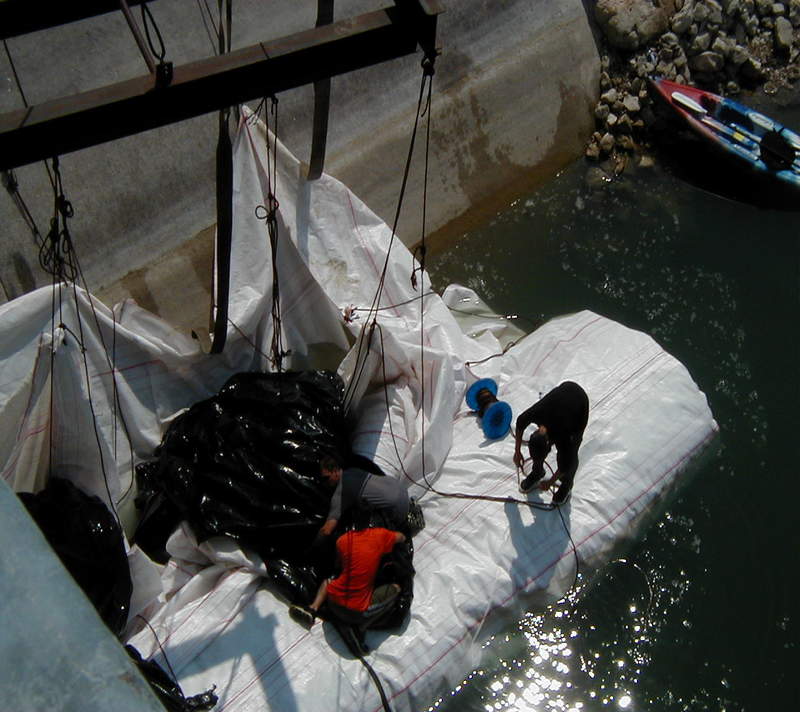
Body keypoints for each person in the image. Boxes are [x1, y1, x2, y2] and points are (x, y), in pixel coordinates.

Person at [290, 526, 406, 633]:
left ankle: (313, 608)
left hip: (333, 602)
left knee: (329, 581)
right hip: (356, 613)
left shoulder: (343, 540)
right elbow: (401, 537)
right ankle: (362, 627)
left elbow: (338, 564)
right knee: (396, 589)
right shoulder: (380, 535)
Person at [513, 381, 589, 503]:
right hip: (562, 393)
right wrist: (517, 452)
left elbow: (565, 465)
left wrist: (550, 482)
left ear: (549, 445)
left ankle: (567, 484)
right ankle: (538, 472)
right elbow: (520, 422)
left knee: (571, 455)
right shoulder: (538, 413)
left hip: (579, 406)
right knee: (540, 452)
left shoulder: (563, 436)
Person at [316, 455, 409, 541]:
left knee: (361, 536)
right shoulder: (353, 470)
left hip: (398, 509)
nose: (324, 483)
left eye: (326, 478)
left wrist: (313, 547)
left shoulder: (341, 491)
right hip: (401, 490)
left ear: (335, 472)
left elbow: (326, 530)